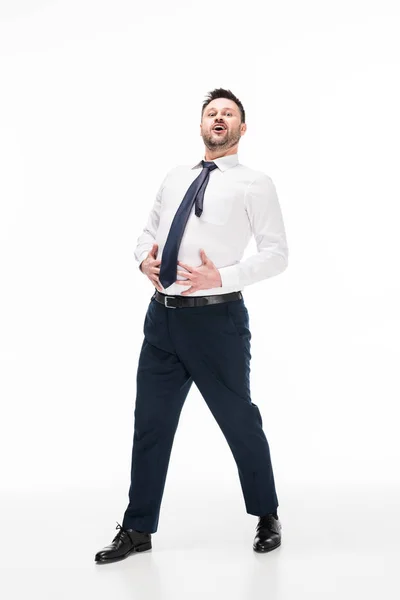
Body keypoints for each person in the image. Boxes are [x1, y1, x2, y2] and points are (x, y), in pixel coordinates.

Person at [95, 88, 289, 563]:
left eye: (228, 114)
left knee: (239, 420)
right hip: (161, 319)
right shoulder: (174, 176)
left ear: (242, 129)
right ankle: (137, 528)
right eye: (211, 112)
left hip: (216, 322)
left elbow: (277, 255)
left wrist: (220, 275)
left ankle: (266, 513)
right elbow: (147, 231)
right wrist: (144, 259)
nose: (218, 118)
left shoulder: (254, 184)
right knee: (151, 425)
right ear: (201, 125)